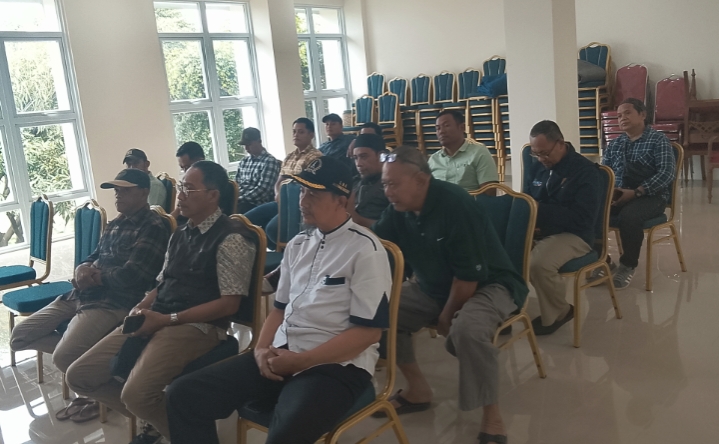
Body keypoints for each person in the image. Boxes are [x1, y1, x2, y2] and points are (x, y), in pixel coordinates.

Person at [165, 157, 390, 444]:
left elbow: (368, 333)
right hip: (282, 353)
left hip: (337, 366)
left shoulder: (365, 249)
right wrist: (260, 350)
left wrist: (303, 361)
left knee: (285, 435)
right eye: (302, 191)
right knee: (183, 395)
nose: (302, 201)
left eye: (314, 194)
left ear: (342, 200)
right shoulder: (298, 245)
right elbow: (279, 310)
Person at [66, 161, 257, 444]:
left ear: (213, 195)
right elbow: (162, 283)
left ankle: (187, 433)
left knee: (136, 394)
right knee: (79, 375)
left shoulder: (231, 237)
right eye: (181, 187)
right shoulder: (180, 233)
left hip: (198, 326)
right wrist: (142, 306)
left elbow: (229, 305)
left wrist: (167, 320)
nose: (180, 195)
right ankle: (160, 418)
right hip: (159, 314)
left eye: (189, 189)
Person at [372, 146, 528, 444]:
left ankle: (492, 415)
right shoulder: (399, 208)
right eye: (384, 184)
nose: (387, 191)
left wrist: (446, 317)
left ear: (421, 180)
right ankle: (418, 389)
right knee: (379, 313)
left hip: (489, 284)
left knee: (468, 330)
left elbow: (469, 277)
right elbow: (375, 244)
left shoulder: (455, 203)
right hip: (435, 286)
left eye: (393, 184)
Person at [10, 169, 169, 422]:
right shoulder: (116, 223)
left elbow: (133, 276)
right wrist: (82, 268)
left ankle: (133, 409)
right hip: (80, 295)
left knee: (64, 358)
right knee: (19, 336)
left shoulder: (152, 227)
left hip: (113, 302)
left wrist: (94, 277)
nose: (117, 195)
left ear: (144, 192)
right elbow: (94, 255)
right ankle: (100, 368)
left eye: (125, 190)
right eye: (116, 190)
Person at [523, 121, 600, 335]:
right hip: (540, 228)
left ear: (560, 143)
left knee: (538, 265)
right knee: (500, 250)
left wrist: (540, 212)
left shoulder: (585, 171)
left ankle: (560, 312)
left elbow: (583, 218)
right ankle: (508, 310)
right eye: (536, 154)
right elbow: (527, 198)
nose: (541, 159)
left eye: (545, 153)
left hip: (575, 235)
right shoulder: (538, 166)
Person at [599, 98, 676, 289]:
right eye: (618, 115)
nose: (622, 118)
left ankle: (628, 265)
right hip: (620, 194)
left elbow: (667, 173)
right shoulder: (615, 144)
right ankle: (602, 261)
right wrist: (610, 193)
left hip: (652, 196)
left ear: (642, 115)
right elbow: (603, 174)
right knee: (592, 210)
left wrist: (637, 192)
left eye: (627, 113)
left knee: (630, 216)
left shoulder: (658, 140)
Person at [245, 118, 321, 249]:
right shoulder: (290, 156)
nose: (296, 135)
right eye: (294, 132)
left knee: (271, 229)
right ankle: (265, 253)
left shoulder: (316, 157)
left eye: (301, 132)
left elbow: (308, 186)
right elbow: (280, 179)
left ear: (311, 134)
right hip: (280, 201)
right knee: (247, 220)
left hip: (296, 204)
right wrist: (277, 193)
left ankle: (285, 253)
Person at [429, 109, 499, 193]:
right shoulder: (434, 160)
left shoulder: (479, 152)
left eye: (446, 125)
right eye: (438, 128)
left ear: (462, 127)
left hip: (469, 201)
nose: (441, 131)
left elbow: (489, 193)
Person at [234, 128, 281, 214]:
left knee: (237, 214)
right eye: (244, 145)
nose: (246, 148)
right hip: (240, 200)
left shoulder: (269, 161)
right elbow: (236, 184)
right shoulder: (244, 161)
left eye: (249, 144)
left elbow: (263, 190)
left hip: (256, 204)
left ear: (259, 141)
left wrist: (240, 199)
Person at [348, 133, 390, 227]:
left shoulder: (392, 186)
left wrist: (354, 218)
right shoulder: (353, 182)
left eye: (364, 157)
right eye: (355, 158)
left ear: (380, 156)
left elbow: (393, 228)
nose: (358, 164)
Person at [172, 141, 206, 220]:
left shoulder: (214, 182)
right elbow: (177, 211)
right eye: (182, 168)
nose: (185, 172)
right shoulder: (187, 184)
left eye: (187, 167)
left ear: (200, 161)